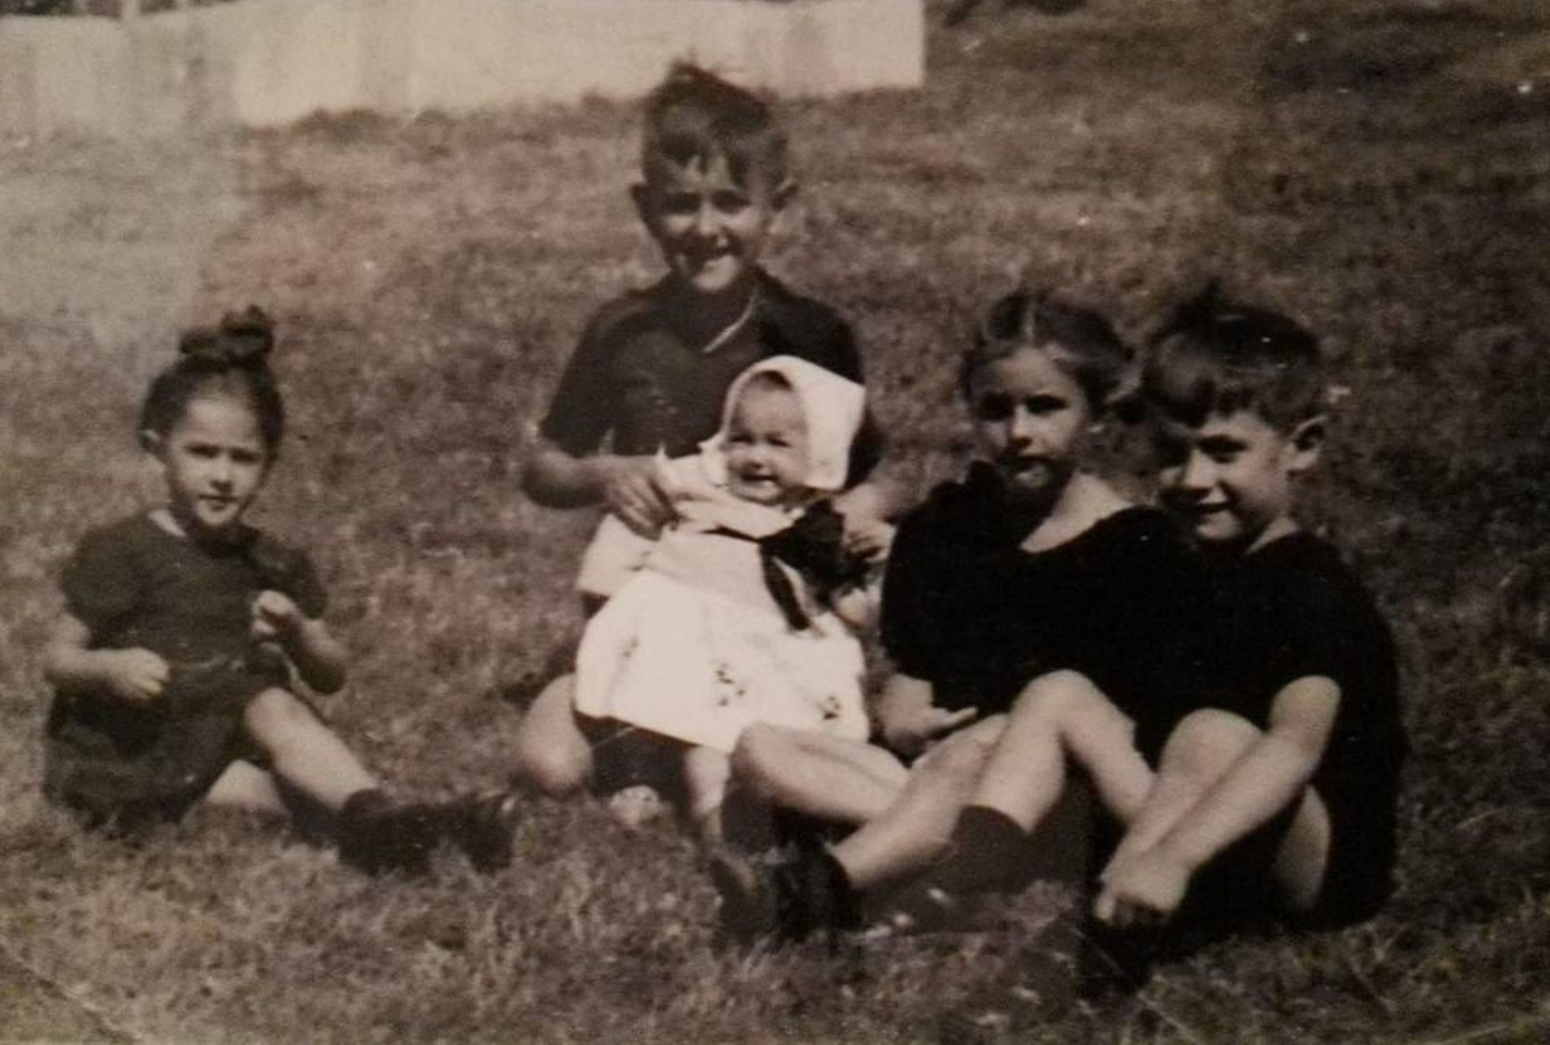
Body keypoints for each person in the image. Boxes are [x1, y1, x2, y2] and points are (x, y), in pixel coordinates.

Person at [890, 287, 1407, 944]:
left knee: (1209, 732)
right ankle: (970, 865)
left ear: (1301, 446)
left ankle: (1112, 933)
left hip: (1309, 866)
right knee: (1060, 692)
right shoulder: (1190, 563)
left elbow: (1292, 748)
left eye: (1222, 452)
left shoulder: (1310, 588)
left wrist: (1173, 857)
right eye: (1170, 452)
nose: (1191, 479)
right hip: (1202, 811)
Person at [714, 289, 1205, 942]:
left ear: (1096, 415)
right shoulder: (947, 526)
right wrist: (907, 718)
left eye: (1046, 407)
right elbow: (913, 671)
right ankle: (940, 860)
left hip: (1059, 791)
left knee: (986, 744)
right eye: (996, 410)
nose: (1020, 432)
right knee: (758, 749)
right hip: (936, 770)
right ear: (972, 412)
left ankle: (814, 889)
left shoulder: (1139, 545)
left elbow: (1133, 722)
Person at [517, 63, 892, 799]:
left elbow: (872, 473)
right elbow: (542, 464)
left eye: (731, 203)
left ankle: (688, 761)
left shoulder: (811, 335)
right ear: (644, 207)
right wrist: (602, 474)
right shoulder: (624, 332)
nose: (706, 229)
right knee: (548, 767)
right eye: (681, 205)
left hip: (763, 624)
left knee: (761, 751)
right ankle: (635, 733)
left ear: (775, 206)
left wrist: (851, 521)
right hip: (648, 608)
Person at [41, 309, 519, 874]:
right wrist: (111, 668)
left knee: (273, 707)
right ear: (157, 448)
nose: (222, 476)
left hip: (238, 735)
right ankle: (416, 828)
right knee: (281, 806)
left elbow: (330, 675)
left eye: (243, 458)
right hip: (138, 750)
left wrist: (296, 632)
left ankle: (404, 823)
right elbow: (58, 657)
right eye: (202, 452)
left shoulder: (271, 560)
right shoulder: (124, 549)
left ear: (269, 464)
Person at [573, 356, 878, 839]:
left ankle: (738, 818)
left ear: (819, 454)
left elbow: (850, 601)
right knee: (653, 710)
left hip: (767, 652)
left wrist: (859, 599)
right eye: (742, 439)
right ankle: (645, 781)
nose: (756, 458)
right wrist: (605, 589)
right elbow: (629, 530)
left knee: (724, 746)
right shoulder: (692, 483)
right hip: (681, 633)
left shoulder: (816, 525)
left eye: (778, 444)